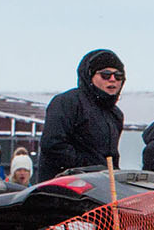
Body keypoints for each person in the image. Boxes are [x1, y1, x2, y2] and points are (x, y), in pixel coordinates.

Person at [37, 49, 125, 179]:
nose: (112, 80)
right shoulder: (68, 102)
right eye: (105, 75)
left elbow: (112, 157)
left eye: (118, 76)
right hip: (64, 188)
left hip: (101, 187)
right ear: (90, 76)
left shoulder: (115, 114)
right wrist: (90, 168)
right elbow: (53, 145)